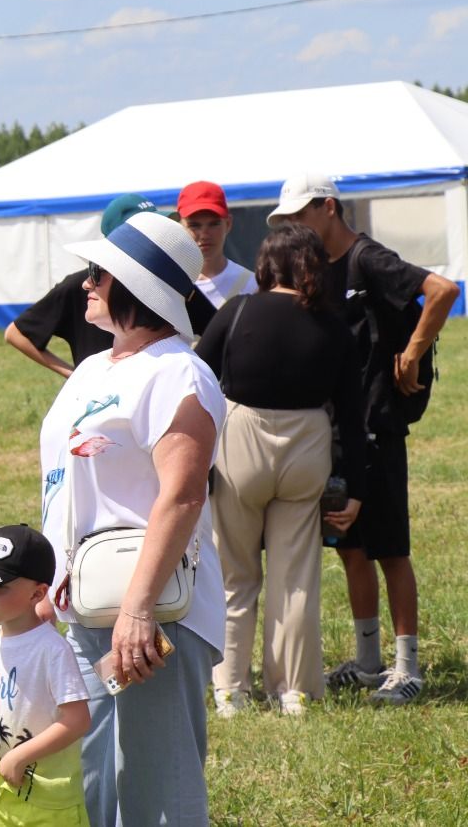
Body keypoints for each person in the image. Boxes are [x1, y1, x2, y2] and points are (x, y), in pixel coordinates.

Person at [37, 210, 226, 827]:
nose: (86, 282)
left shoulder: (179, 375)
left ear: (138, 288)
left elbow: (182, 497)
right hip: (91, 606)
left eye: (99, 272)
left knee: (157, 793)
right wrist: (50, 579)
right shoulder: (96, 367)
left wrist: (138, 610)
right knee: (100, 786)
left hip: (154, 612)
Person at [268, 174, 456, 705]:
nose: (294, 227)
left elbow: (442, 291)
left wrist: (413, 353)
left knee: (390, 548)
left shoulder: (368, 258)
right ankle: (370, 662)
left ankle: (408, 668)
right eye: (286, 221)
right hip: (336, 429)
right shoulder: (314, 271)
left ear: (329, 207)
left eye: (301, 216)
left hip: (378, 424)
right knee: (350, 549)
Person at [195, 223, 366, 717]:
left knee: (234, 574)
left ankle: (229, 688)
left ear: (268, 264)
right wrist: (354, 488)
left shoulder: (237, 310)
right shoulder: (334, 326)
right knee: (295, 578)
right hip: (307, 445)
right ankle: (292, 689)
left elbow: (196, 374)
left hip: (241, 440)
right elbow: (353, 418)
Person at [0, 525, 90, 827]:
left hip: (50, 800)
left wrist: (20, 756)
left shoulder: (52, 650)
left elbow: (77, 720)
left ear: (37, 593)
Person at [6, 196, 218, 379]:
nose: (89, 283)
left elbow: (217, 331)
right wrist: (74, 375)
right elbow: (16, 333)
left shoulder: (167, 289)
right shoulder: (77, 287)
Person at [177, 181, 257, 308]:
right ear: (179, 226)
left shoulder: (251, 285)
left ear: (228, 224)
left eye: (214, 224)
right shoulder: (170, 285)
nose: (204, 235)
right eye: (194, 225)